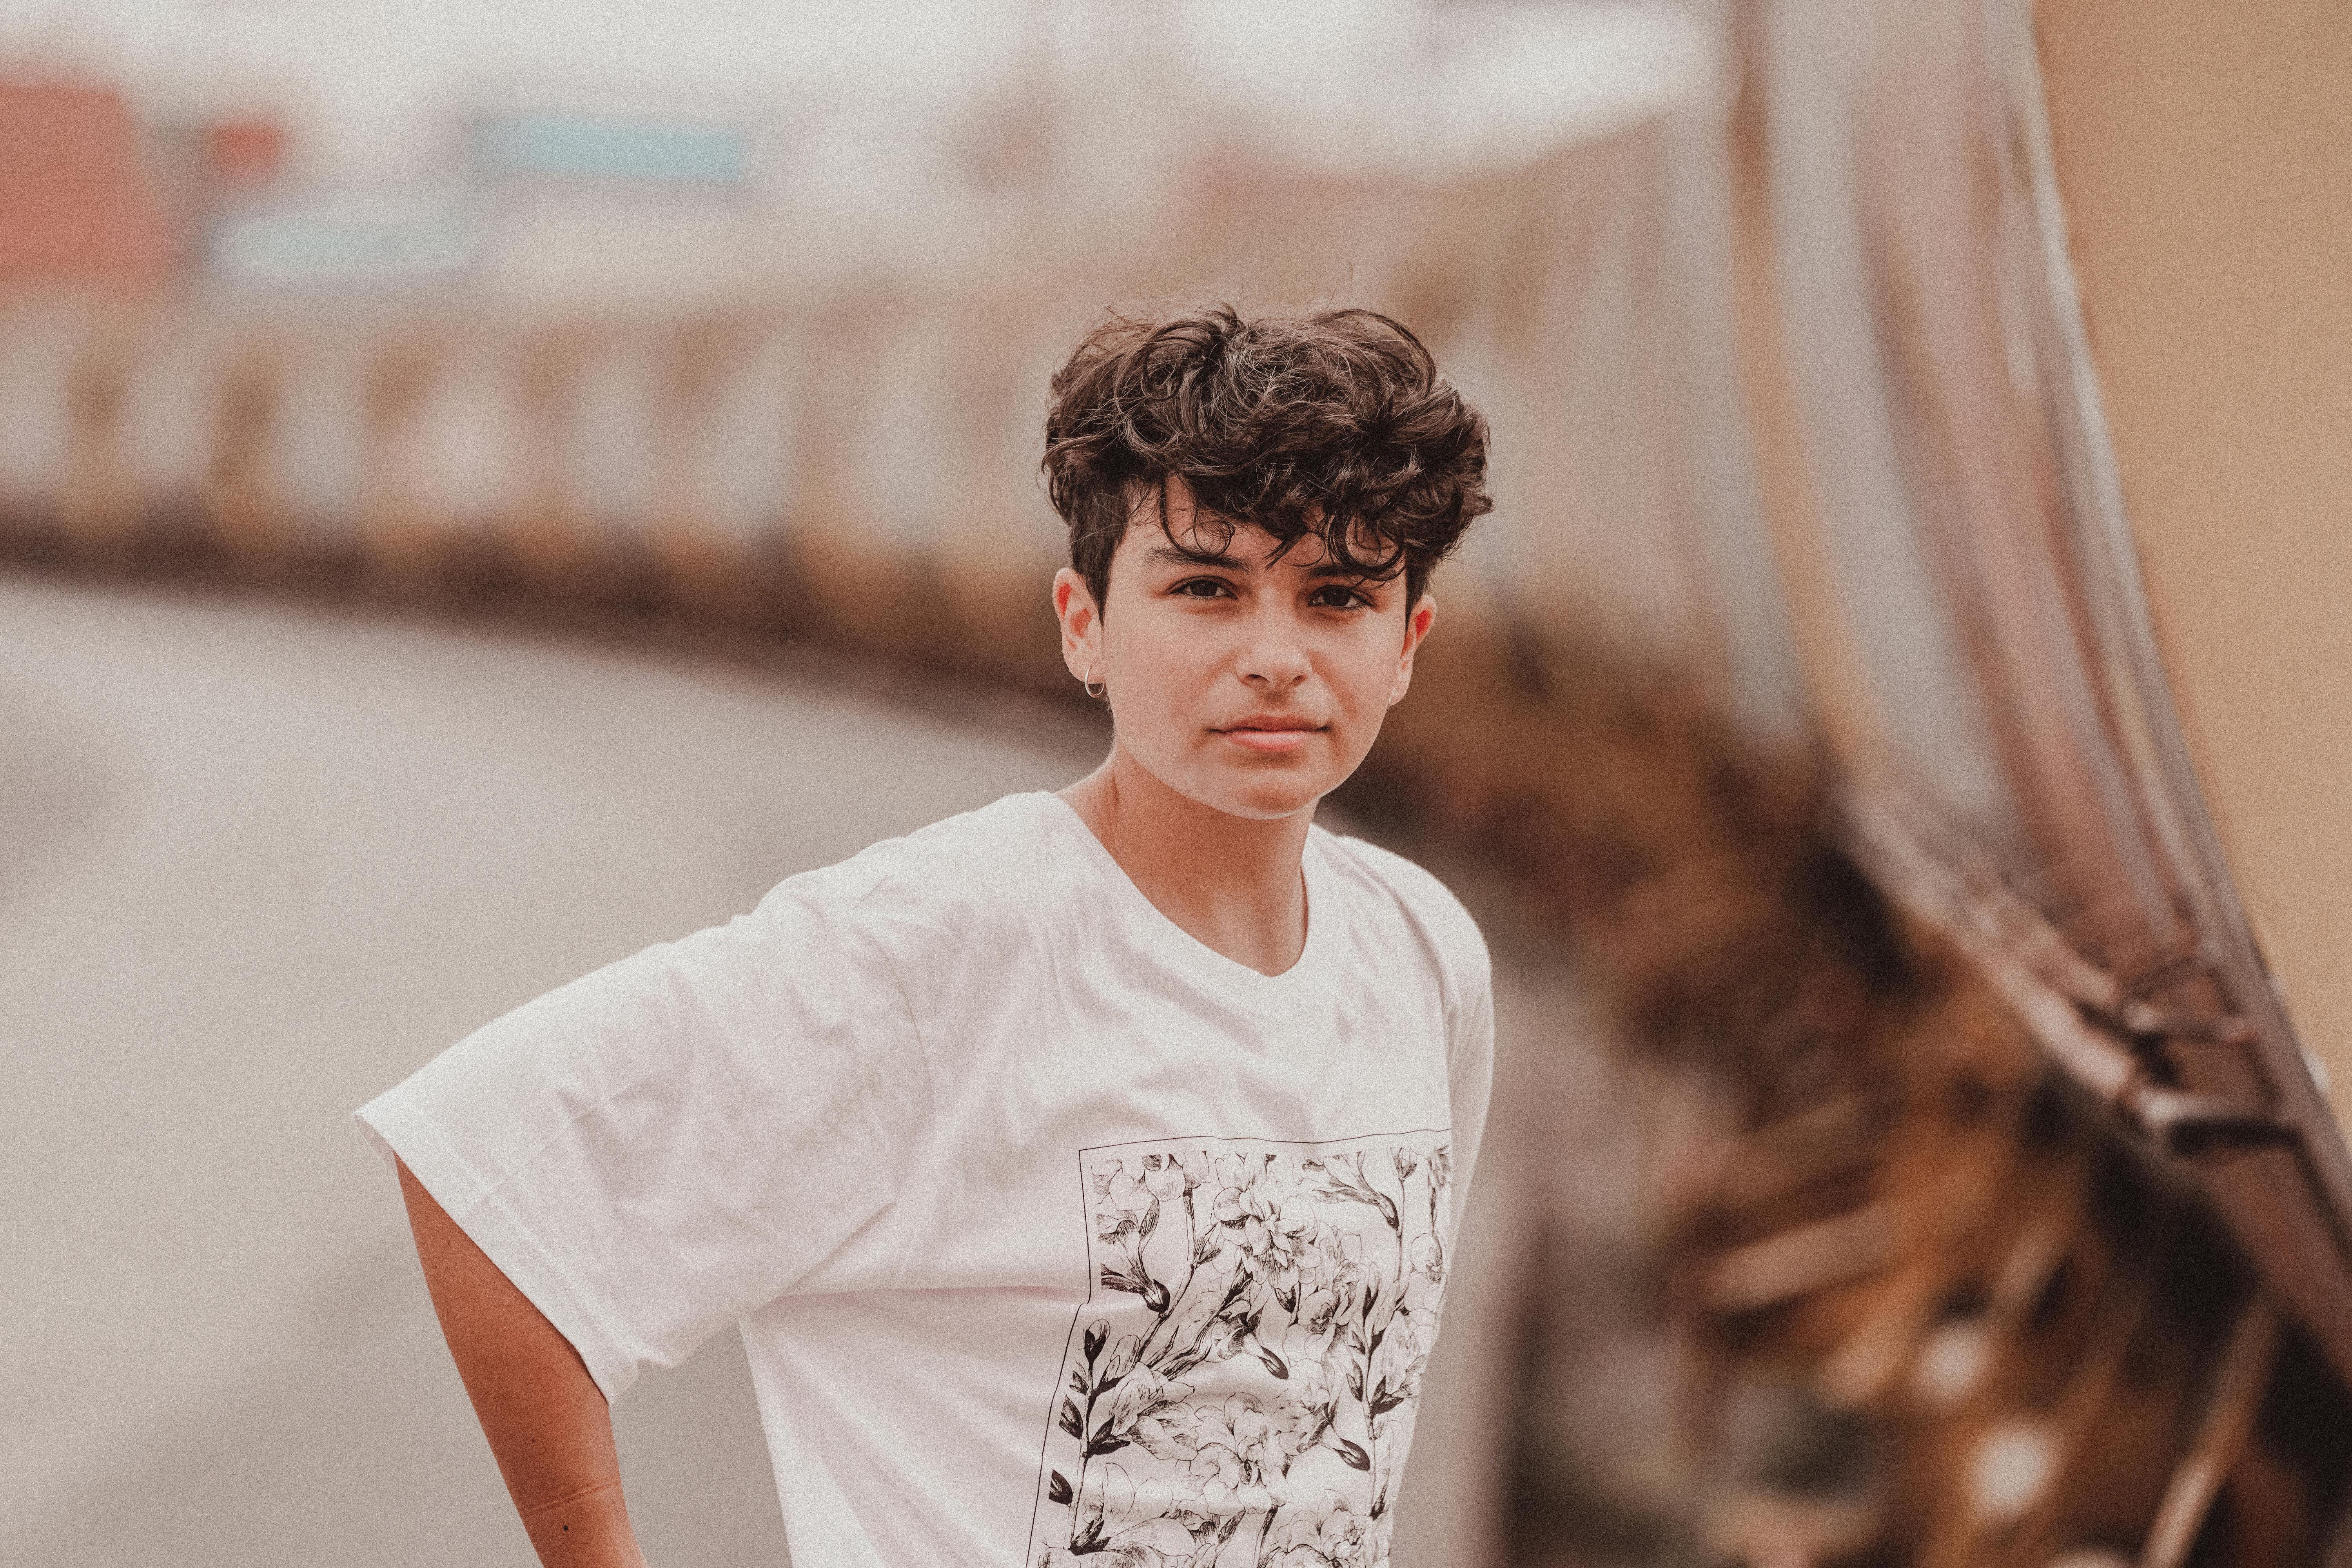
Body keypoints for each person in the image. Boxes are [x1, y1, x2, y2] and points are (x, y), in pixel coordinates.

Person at [356, 302, 1497, 1568]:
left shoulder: (1423, 954)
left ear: (1408, 644)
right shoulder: (934, 951)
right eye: (1207, 590)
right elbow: (490, 1166)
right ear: (1084, 624)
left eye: (1336, 595)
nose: (1275, 656)